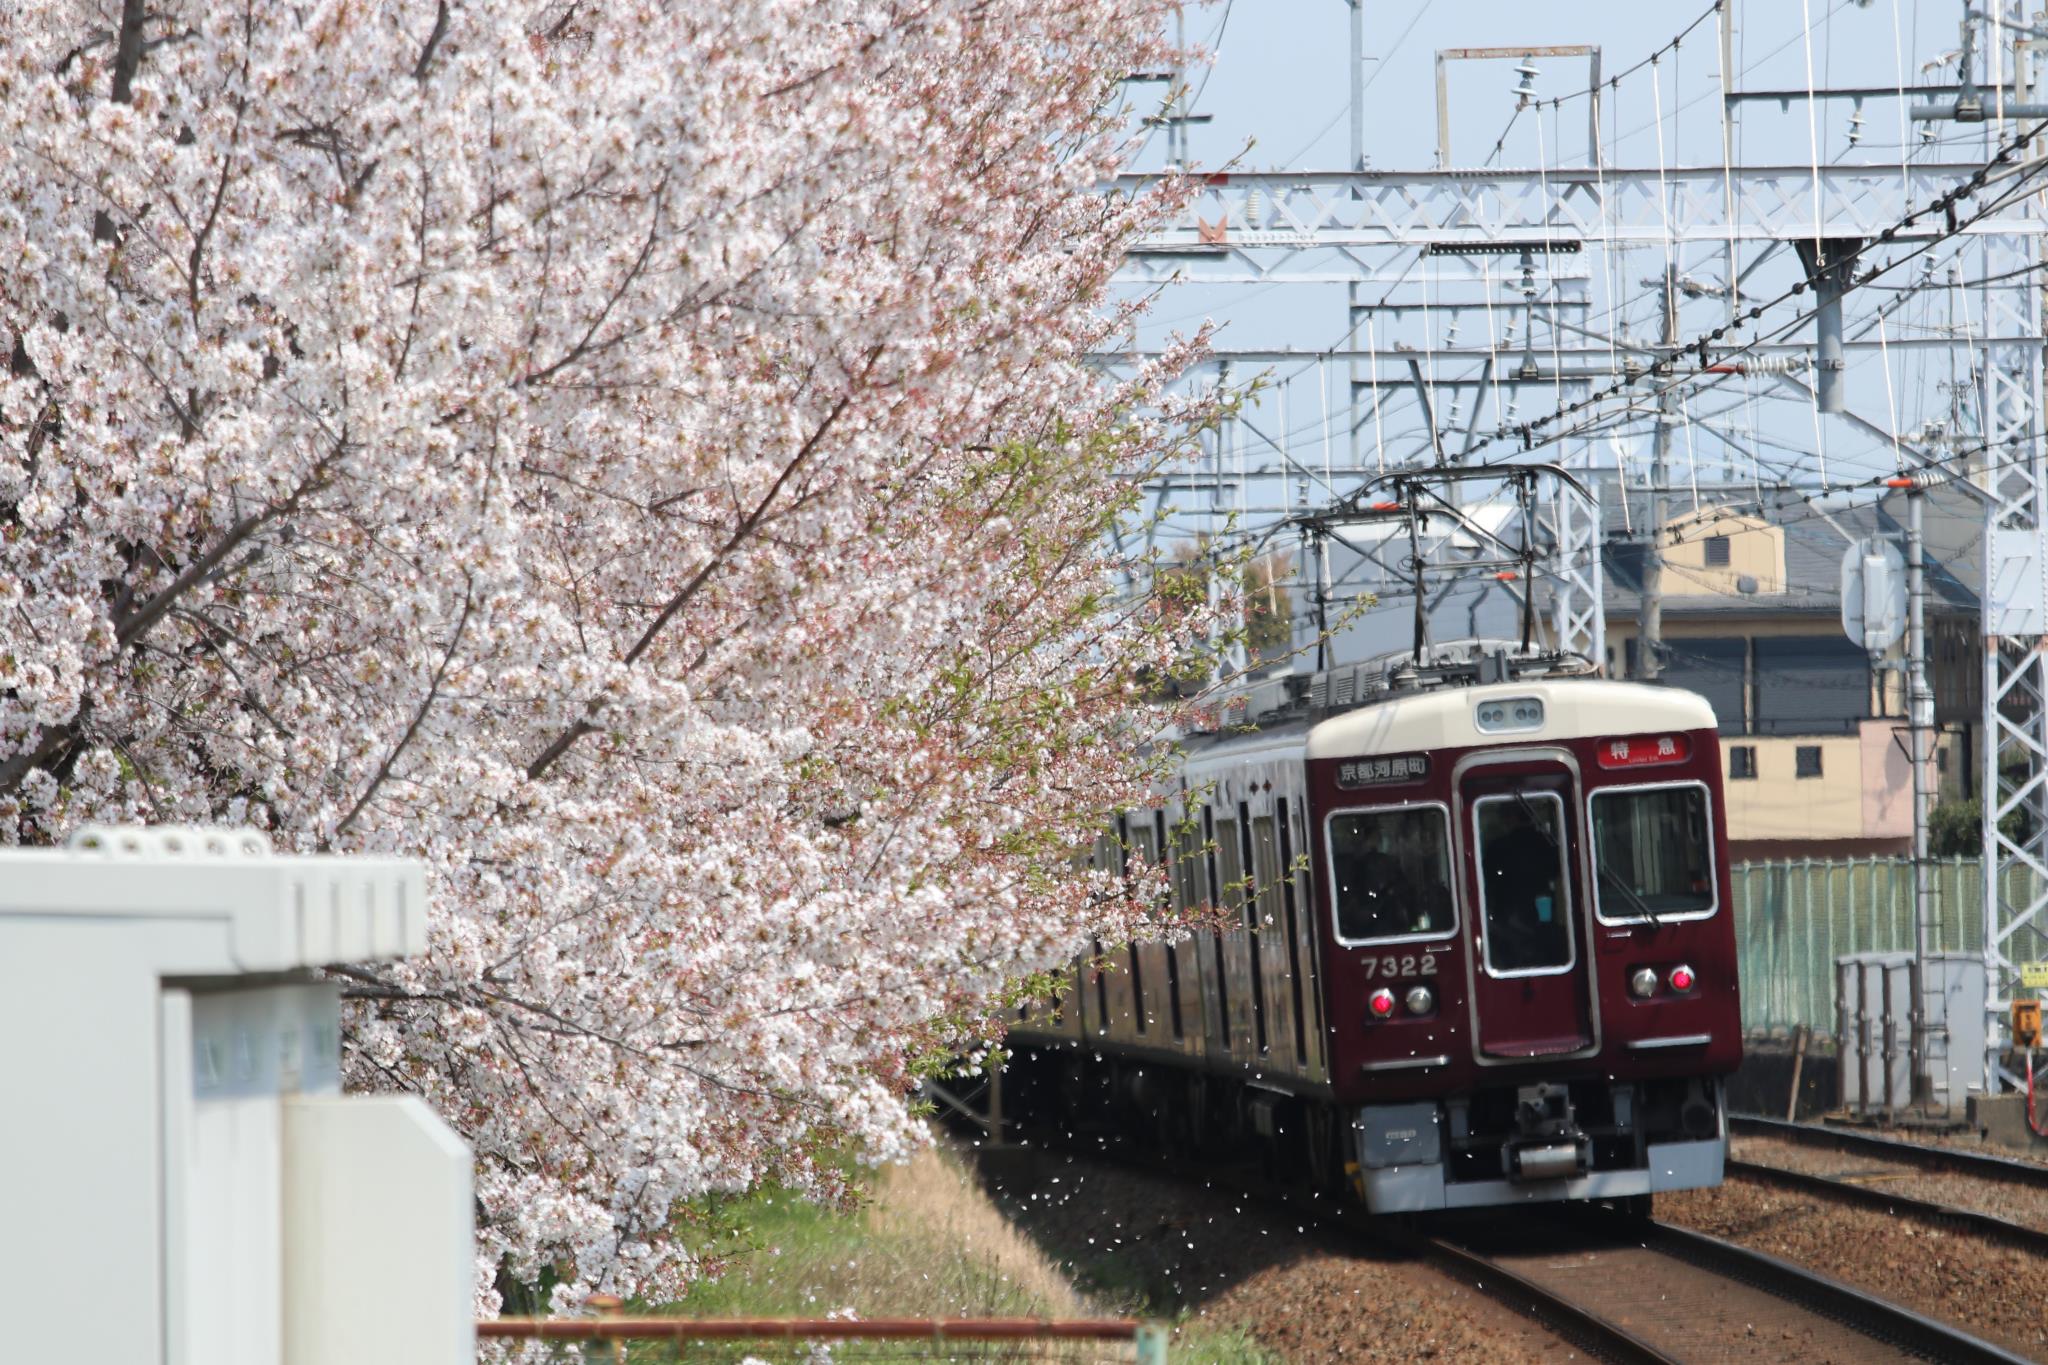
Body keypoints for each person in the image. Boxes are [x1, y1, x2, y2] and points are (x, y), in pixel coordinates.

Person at [1481, 800, 1569, 972]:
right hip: (1544, 910)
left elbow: (1487, 881)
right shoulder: (1546, 843)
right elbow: (1557, 871)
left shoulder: (1499, 848)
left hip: (1509, 915)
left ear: (1509, 818)